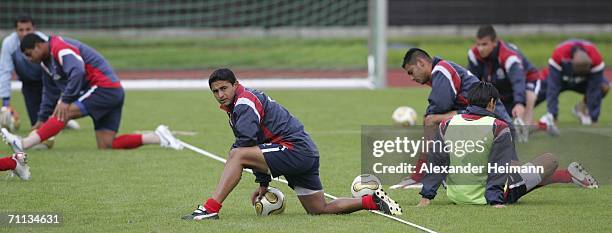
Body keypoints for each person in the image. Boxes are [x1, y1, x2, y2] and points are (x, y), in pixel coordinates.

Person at [181, 68, 402, 220]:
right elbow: (258, 143)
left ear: (235, 85)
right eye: (215, 91)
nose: (220, 94)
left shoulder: (244, 102)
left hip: (294, 151)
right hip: (305, 154)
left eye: (224, 88)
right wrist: (264, 183)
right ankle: (371, 201)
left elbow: (248, 142)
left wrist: (240, 160)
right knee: (319, 209)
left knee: (237, 154)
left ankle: (210, 209)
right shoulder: (240, 103)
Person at [417, 82, 598, 208]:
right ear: (492, 103)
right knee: (549, 160)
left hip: (455, 195)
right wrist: (496, 201)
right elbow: (498, 168)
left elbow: (437, 162)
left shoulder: (446, 124)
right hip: (487, 197)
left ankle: (569, 176)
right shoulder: (498, 127)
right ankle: (566, 175)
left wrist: (426, 197)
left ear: (469, 101)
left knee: (518, 169)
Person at [1, 33, 183, 155]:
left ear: (39, 45)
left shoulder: (59, 46)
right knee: (106, 145)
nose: (28, 58)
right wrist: (40, 120)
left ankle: (23, 144)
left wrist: (65, 100)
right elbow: (49, 93)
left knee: (65, 111)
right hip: (110, 93)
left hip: (105, 88)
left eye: (28, 53)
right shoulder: (45, 64)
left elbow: (78, 70)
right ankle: (158, 137)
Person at [391, 48, 511, 189]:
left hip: (494, 121)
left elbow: (441, 105)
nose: (411, 78)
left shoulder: (441, 70)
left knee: (432, 121)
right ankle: (440, 174)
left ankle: (421, 176)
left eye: (411, 72)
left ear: (421, 63)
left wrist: (429, 117)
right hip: (486, 119)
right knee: (435, 121)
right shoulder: (442, 70)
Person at [0, 14, 80, 133]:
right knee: (37, 122)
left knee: (52, 108)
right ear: (15, 30)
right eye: (20, 30)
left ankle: (64, 120)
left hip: (46, 79)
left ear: (34, 29)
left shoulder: (44, 41)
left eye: (28, 29)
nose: (24, 33)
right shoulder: (9, 44)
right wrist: (6, 103)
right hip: (28, 83)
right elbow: (5, 71)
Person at [467, 25, 547, 140]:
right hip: (503, 86)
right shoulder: (474, 54)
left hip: (528, 80)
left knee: (527, 100)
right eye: (478, 44)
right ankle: (534, 126)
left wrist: (519, 103)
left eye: (484, 44)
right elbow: (474, 81)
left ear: (495, 42)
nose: (480, 48)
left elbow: (519, 81)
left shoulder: (508, 56)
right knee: (503, 121)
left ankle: (528, 127)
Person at [545, 39, 609, 128]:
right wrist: (553, 115)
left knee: (603, 86)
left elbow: (594, 90)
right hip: (563, 79)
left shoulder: (596, 57)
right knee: (543, 88)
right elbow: (553, 88)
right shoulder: (559, 54)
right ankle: (522, 112)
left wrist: (594, 119)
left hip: (584, 82)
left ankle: (581, 108)